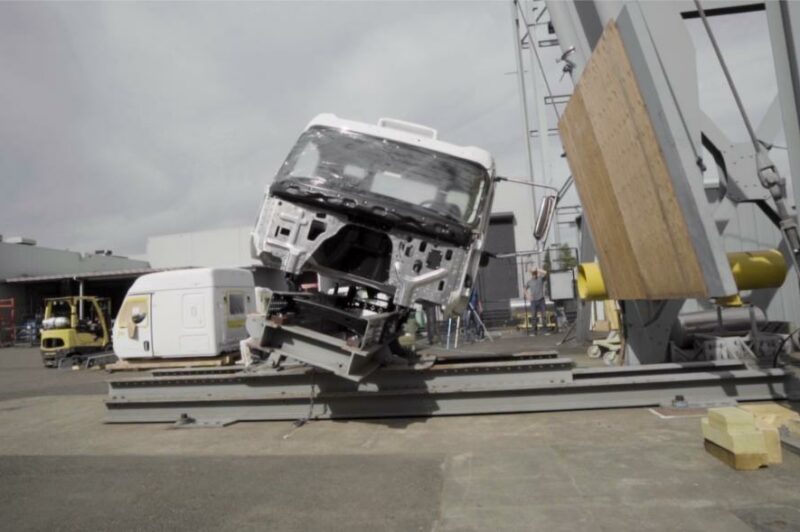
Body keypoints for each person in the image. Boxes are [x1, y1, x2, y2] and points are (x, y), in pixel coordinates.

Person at [525, 268, 548, 335]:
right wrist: (528, 295)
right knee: (533, 316)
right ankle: (534, 332)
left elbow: (546, 273)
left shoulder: (540, 279)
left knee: (544, 315)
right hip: (533, 301)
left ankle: (545, 331)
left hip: (541, 300)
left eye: (535, 273)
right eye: (533, 274)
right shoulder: (529, 281)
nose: (534, 275)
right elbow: (524, 289)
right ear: (531, 274)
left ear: (536, 273)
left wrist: (537, 269)